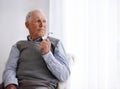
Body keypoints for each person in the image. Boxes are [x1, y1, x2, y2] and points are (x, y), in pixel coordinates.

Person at [2, 9, 70, 89]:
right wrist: (11, 84)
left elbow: (64, 75)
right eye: (38, 21)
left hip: (42, 85)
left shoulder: (56, 43)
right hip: (19, 85)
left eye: (44, 21)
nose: (42, 25)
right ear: (27, 25)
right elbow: (10, 68)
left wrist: (47, 54)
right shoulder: (18, 45)